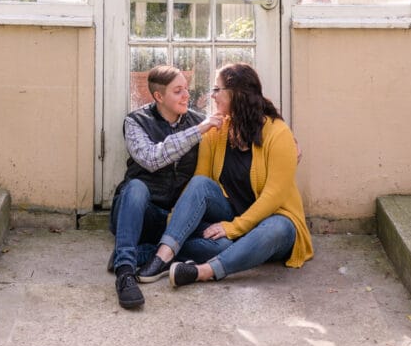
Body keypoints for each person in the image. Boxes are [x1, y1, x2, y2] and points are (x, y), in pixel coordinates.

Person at [137, 62, 313, 288]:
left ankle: (201, 271)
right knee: (201, 187)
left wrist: (234, 228)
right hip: (230, 216)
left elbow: (273, 197)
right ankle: (163, 254)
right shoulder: (216, 131)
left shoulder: (278, 133)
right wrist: (177, 222)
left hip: (270, 222)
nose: (212, 96)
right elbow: (199, 183)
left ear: (237, 94)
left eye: (217, 89)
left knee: (278, 228)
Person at [110, 64, 224, 309]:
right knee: (136, 187)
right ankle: (125, 272)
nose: (186, 96)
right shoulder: (135, 122)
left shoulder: (195, 121)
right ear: (158, 96)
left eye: (186, 89)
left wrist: (289, 142)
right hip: (139, 214)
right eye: (178, 91)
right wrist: (199, 130)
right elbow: (152, 158)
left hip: (174, 220)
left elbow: (239, 121)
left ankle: (147, 254)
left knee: (222, 245)